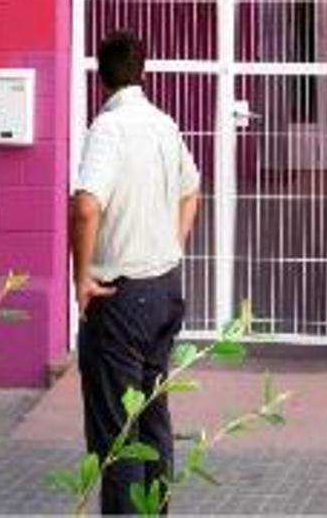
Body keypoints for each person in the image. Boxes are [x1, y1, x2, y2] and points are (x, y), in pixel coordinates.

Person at [71, 29, 201, 514]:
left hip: (121, 299)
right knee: (152, 419)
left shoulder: (108, 129)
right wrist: (173, 244)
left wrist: (81, 277)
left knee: (117, 434)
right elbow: (192, 189)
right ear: (142, 71)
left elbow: (86, 206)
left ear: (100, 76)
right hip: (165, 290)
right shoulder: (164, 123)